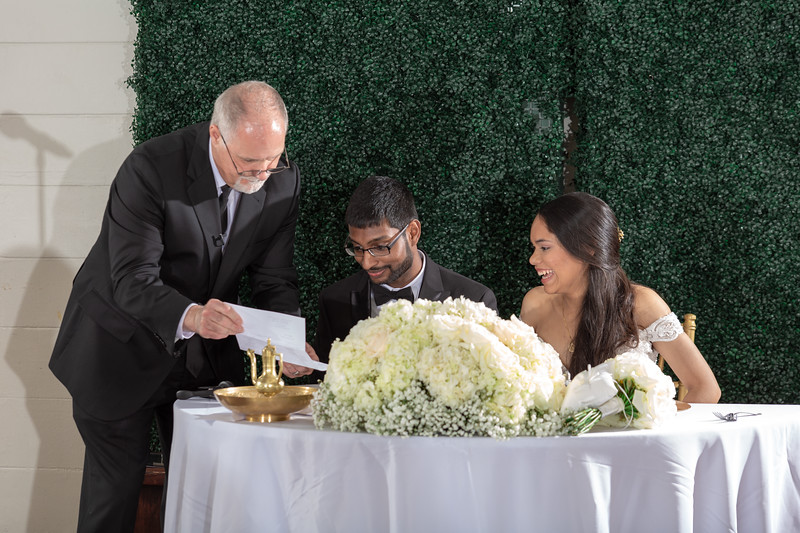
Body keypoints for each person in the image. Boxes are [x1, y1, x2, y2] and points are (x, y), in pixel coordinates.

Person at [49, 81, 316, 532]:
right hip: (116, 350)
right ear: (216, 135)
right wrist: (192, 315)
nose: (262, 174)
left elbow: (274, 280)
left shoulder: (281, 181)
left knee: (202, 499)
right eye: (249, 162)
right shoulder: (149, 168)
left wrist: (286, 341)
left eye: (273, 159)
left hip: (196, 363)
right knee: (111, 502)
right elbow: (131, 279)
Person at [519, 192, 720, 403]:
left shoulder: (641, 304)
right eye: (534, 248)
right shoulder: (534, 305)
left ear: (588, 248)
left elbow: (705, 388)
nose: (533, 259)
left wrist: (656, 431)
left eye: (544, 247)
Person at [313, 175, 498, 366]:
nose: (367, 263)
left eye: (380, 247)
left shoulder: (475, 300)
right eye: (358, 248)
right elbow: (325, 383)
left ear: (412, 233)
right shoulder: (334, 301)